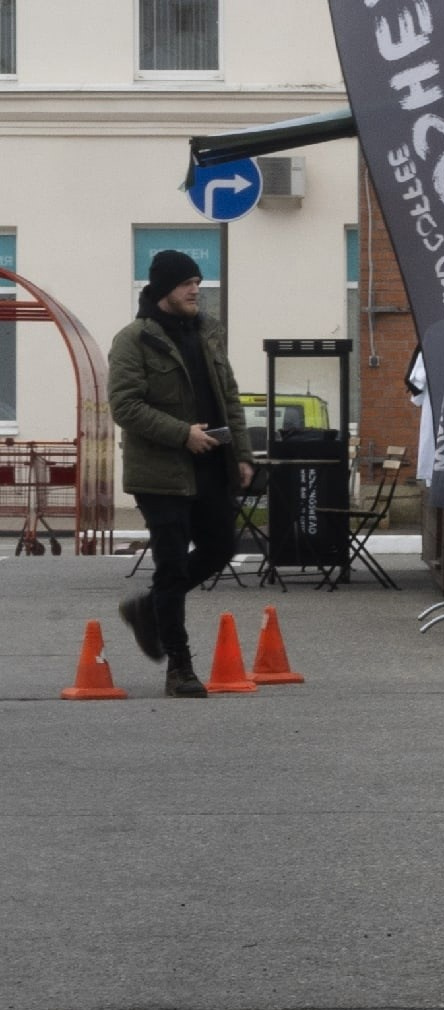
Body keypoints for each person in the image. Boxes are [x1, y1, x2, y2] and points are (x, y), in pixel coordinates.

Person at [107, 249, 253, 698]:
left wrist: (242, 455)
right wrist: (180, 434)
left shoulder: (208, 332)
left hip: (211, 466)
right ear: (163, 288)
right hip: (161, 472)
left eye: (197, 282)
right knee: (171, 568)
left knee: (221, 546)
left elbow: (228, 394)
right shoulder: (134, 339)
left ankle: (147, 609)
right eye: (187, 283)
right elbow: (125, 406)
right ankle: (180, 667)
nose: (196, 290)